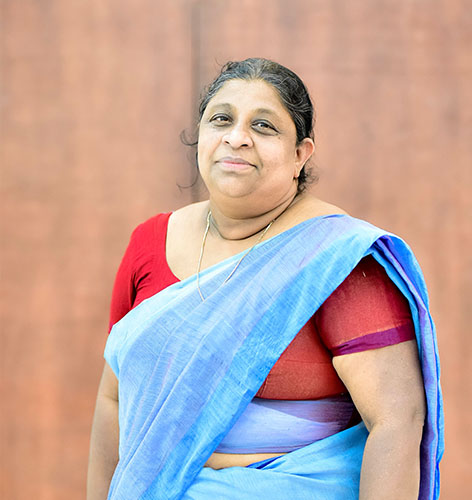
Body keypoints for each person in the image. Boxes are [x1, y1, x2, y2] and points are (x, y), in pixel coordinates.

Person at [87, 58, 443, 500]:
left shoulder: (335, 258)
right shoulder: (149, 243)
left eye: (264, 126)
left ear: (300, 155)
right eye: (221, 119)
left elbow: (397, 421)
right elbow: (114, 399)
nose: (237, 137)